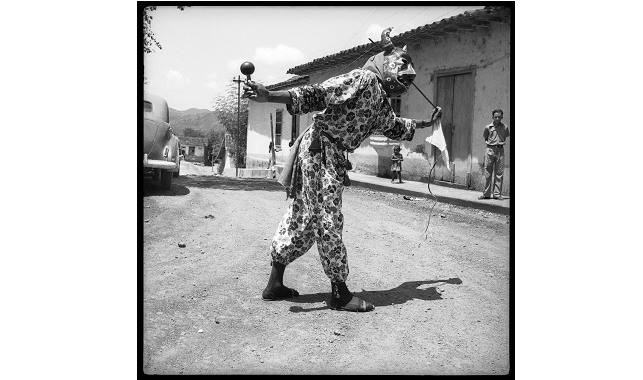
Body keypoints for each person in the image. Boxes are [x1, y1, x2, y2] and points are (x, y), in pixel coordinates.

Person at [243, 27, 442, 312]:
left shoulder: (381, 102)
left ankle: (275, 283)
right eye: (403, 73)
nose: (405, 82)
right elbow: (318, 94)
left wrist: (426, 122)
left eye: (409, 80)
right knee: (327, 218)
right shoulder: (362, 79)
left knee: (302, 216)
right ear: (387, 65)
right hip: (320, 151)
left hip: (327, 154)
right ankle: (339, 292)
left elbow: (396, 126)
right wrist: (271, 95)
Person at [479, 109, 510, 200]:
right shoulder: (488, 127)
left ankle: (497, 194)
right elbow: (485, 137)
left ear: (502, 117)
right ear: (492, 117)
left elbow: (506, 136)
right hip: (490, 150)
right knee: (488, 173)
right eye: (495, 117)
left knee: (499, 173)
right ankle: (486, 194)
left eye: (499, 117)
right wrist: (490, 145)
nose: (497, 118)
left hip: (500, 150)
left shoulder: (505, 127)